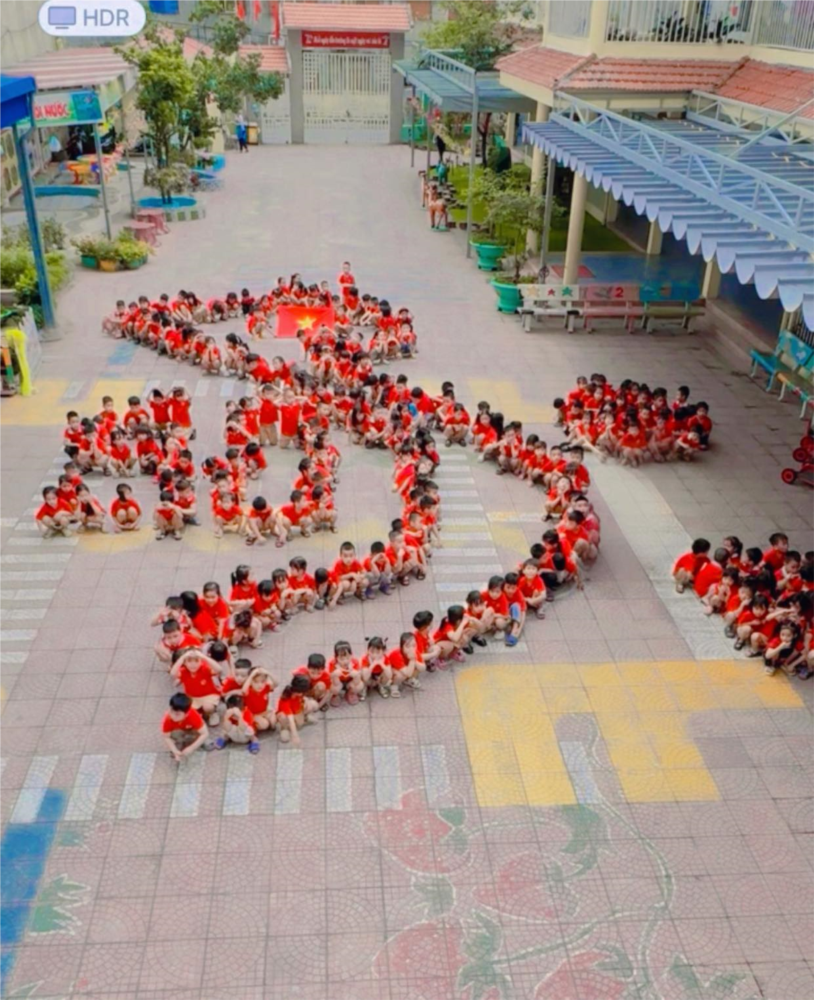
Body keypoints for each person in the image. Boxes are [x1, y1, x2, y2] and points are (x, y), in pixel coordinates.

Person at [161, 693, 211, 762]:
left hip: (192, 729)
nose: (172, 715)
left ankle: (200, 742)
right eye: (171, 711)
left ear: (186, 714)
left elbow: (205, 733)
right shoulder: (167, 718)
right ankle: (180, 742)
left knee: (200, 734)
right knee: (174, 734)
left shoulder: (194, 716)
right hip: (179, 730)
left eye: (177, 714)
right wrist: (174, 750)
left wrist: (192, 748)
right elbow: (166, 737)